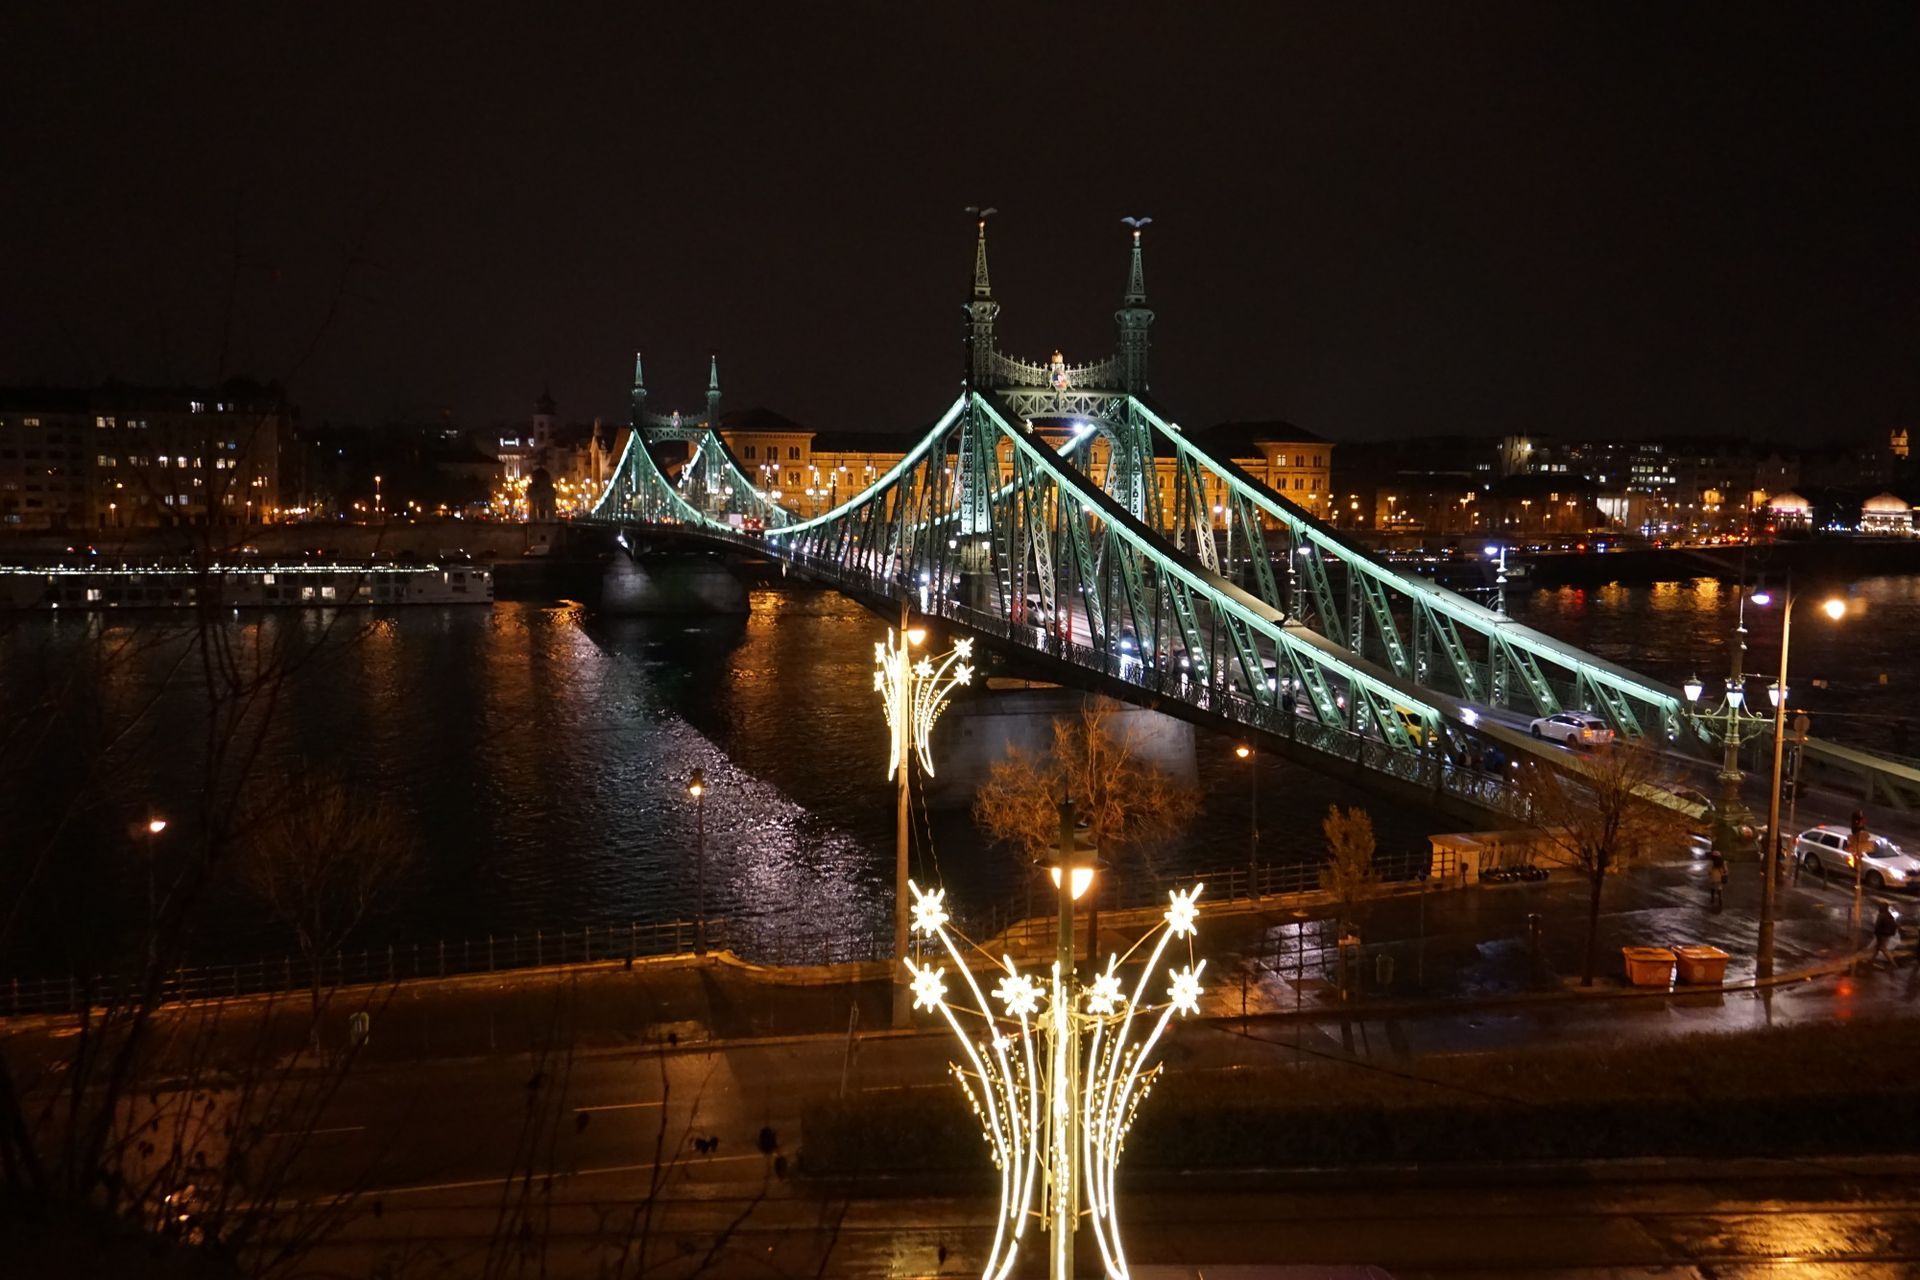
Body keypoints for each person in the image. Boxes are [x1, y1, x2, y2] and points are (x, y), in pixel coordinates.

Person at [1871, 903, 1899, 970]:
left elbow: (1877, 925)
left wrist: (1875, 932)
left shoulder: (1881, 915)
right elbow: (1895, 924)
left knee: (1883, 948)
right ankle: (1871, 960)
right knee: (1878, 947)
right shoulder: (1889, 914)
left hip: (1882, 934)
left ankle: (1893, 964)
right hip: (1888, 934)